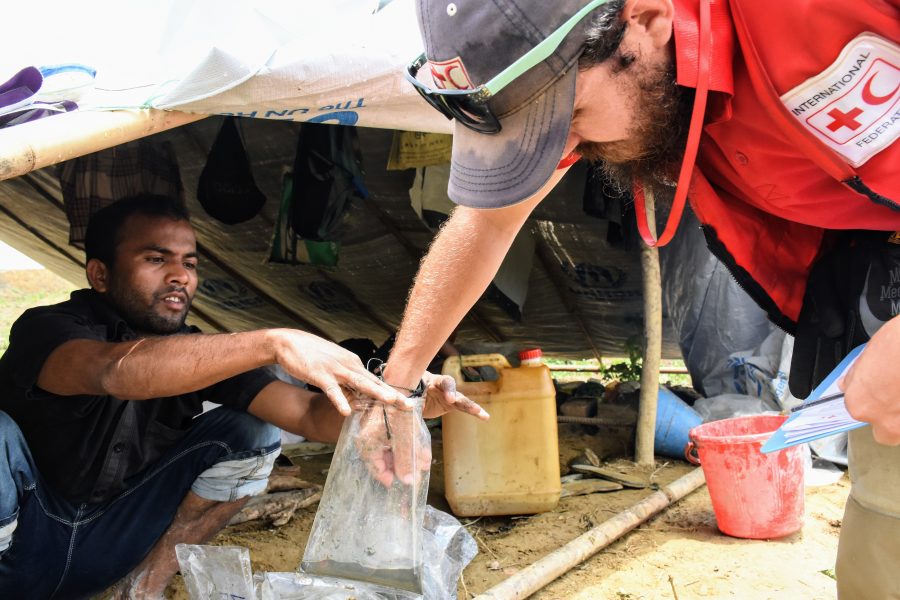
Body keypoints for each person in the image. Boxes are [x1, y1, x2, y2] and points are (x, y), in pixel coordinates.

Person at [384, 0, 899, 597]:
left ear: (649, 19)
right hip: (874, 274)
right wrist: (396, 389)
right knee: (883, 526)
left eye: (569, 114)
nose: (561, 153)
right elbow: (489, 223)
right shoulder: (634, 69)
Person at [0, 193, 480, 599]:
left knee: (250, 430)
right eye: (155, 259)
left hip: (111, 543)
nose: (179, 276)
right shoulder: (47, 330)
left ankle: (142, 586)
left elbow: (313, 417)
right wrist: (273, 341)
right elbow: (114, 371)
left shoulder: (195, 351)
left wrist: (402, 401)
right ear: (100, 275)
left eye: (189, 263)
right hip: (22, 544)